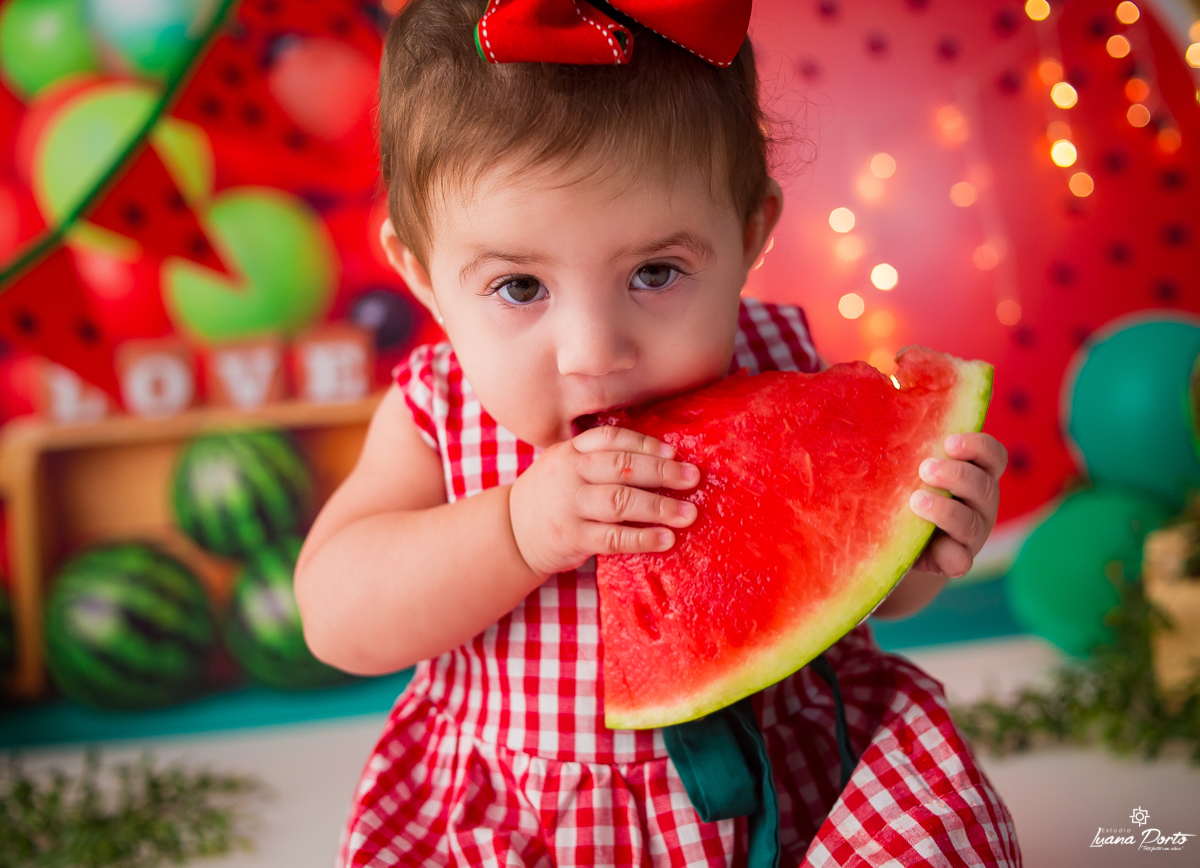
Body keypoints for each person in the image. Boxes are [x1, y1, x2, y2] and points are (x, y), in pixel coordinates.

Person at [295, 1, 1021, 865]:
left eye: (655, 272)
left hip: (796, 798)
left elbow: (831, 589)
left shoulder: (778, 370)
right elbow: (336, 616)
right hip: (536, 825)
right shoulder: (436, 411)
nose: (594, 354)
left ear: (750, 234)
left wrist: (917, 551)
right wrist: (516, 530)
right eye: (520, 288)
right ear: (422, 276)